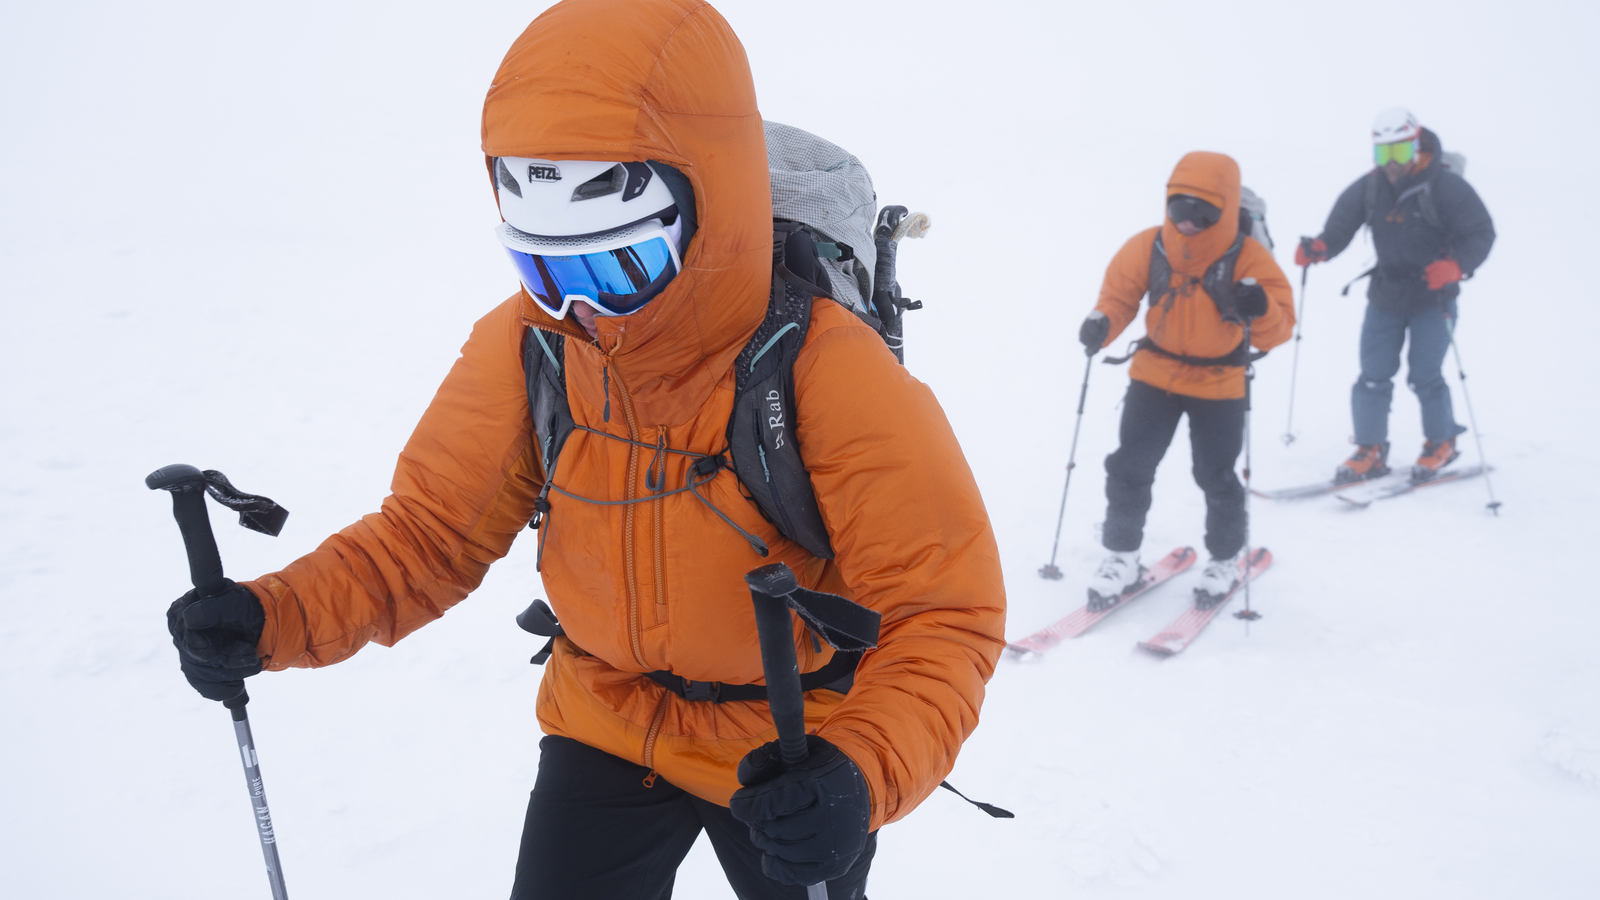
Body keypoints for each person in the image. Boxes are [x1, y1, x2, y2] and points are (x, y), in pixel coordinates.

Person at [162, 1, 1007, 898]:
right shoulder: (533, 344)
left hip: (791, 751)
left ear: (704, 219)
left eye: (610, 269)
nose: (579, 308)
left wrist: (859, 771)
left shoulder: (825, 368)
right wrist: (272, 616)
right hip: (603, 716)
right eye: (543, 268)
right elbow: (428, 535)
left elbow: (944, 613)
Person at [1077, 152, 1294, 610]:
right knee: (1129, 467)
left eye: (1204, 212)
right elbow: (1119, 297)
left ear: (1228, 209)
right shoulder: (1150, 246)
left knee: (1215, 476)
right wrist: (1102, 323)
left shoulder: (1249, 257)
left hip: (1220, 383)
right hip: (1154, 376)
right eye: (1179, 208)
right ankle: (1122, 556)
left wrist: (1261, 308)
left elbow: (1280, 328)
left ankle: (1224, 559)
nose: (1189, 222)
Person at [1296, 107, 1495, 483]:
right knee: (1372, 375)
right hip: (1386, 295)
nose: (1391, 163)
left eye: (1399, 153)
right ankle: (1369, 449)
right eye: (1382, 154)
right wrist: (1321, 247)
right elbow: (1341, 226)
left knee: (1425, 374)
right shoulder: (1371, 187)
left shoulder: (1447, 186)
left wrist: (1456, 266)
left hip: (1433, 298)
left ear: (1416, 147)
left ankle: (1442, 441)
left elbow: (1482, 233)